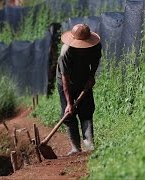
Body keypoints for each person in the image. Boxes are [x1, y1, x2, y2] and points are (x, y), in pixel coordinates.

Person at [56, 24, 102, 155]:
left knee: (86, 110)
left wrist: (91, 76)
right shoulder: (66, 52)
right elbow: (64, 78)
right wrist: (69, 103)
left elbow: (95, 61)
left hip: (84, 79)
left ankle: (89, 144)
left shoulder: (95, 46)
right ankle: (75, 147)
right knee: (68, 115)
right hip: (66, 82)